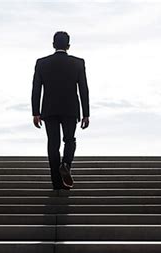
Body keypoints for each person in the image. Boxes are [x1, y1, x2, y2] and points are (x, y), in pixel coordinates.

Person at [31, 31, 90, 190]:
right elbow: (83, 89)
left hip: (49, 109)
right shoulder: (78, 63)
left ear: (53, 44)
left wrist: (35, 112)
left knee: (53, 143)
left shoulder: (42, 63)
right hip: (70, 108)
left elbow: (36, 89)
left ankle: (57, 182)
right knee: (70, 139)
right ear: (68, 46)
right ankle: (66, 165)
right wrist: (86, 114)